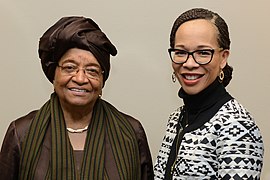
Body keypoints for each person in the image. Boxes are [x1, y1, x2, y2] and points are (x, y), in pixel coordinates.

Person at [0, 16, 154, 180]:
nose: (80, 79)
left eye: (92, 70)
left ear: (102, 80)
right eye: (70, 68)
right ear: (54, 75)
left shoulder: (130, 132)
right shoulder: (21, 133)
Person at [154, 8, 264, 179]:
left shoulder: (238, 126)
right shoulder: (177, 118)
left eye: (203, 52)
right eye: (181, 52)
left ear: (223, 57)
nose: (189, 63)